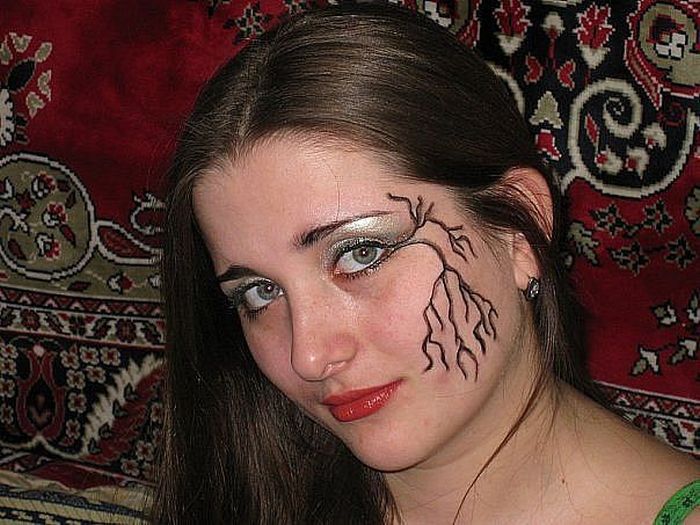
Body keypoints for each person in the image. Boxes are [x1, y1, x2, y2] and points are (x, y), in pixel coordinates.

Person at [153, 3, 699, 524]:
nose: (309, 356)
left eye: (360, 254)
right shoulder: (247, 491)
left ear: (518, 229)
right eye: (260, 293)